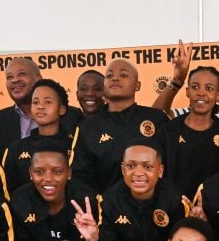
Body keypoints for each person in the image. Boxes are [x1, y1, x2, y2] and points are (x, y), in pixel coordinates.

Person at [9, 138, 102, 241]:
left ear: (69, 172)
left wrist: (94, 240)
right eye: (39, 172)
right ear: (30, 173)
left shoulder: (87, 199)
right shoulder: (21, 201)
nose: (48, 179)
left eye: (57, 171)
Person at [97, 140, 188, 241]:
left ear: (160, 170)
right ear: (123, 169)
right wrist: (94, 240)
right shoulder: (108, 201)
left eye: (147, 167)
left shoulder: (175, 201)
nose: (138, 173)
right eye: (131, 166)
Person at [71, 59, 169, 189]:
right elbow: (81, 178)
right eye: (109, 76)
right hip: (106, 206)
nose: (115, 79)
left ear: (137, 85)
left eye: (123, 75)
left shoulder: (157, 118)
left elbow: (171, 165)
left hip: (153, 204)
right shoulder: (88, 127)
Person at [0, 57, 80, 164]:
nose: (14, 80)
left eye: (21, 74)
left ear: (38, 78)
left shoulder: (73, 116)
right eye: (9, 77)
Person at [1, 78, 76, 193]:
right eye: (35, 102)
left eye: (48, 102)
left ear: (61, 109)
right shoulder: (15, 149)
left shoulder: (76, 144)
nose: (40, 106)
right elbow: (9, 192)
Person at [159, 66, 219, 194]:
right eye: (195, 87)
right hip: (174, 209)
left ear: (218, 95)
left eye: (209, 88)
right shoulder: (168, 131)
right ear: (187, 91)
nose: (201, 93)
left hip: (215, 209)